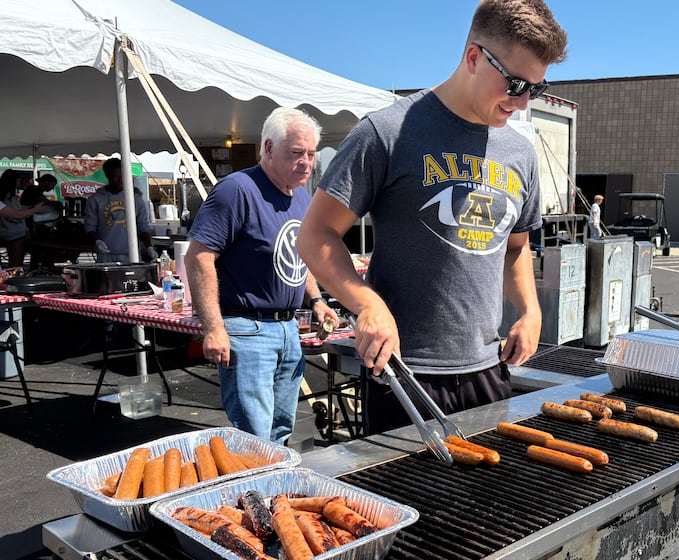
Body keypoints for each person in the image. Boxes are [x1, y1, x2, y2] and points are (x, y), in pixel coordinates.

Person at [298, 0, 567, 435]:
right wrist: (368, 304)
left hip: (488, 368)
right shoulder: (387, 132)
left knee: (484, 501)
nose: (520, 103)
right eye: (515, 83)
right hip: (403, 373)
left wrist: (530, 311)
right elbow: (316, 234)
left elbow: (515, 248)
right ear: (474, 57)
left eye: (533, 89)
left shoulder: (521, 153)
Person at [185, 107, 338, 444]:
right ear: (268, 149)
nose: (307, 163)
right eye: (296, 153)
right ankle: (252, 495)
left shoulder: (301, 194)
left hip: (287, 328)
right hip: (247, 329)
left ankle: (273, 494)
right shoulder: (236, 190)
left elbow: (299, 254)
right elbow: (198, 257)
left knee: (281, 430)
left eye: (311, 154)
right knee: (254, 437)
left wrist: (316, 300)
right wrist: (213, 328)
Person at [83, 158, 156, 263]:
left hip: (132, 255)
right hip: (106, 255)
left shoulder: (135, 198)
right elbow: (90, 226)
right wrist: (96, 241)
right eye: (116, 177)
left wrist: (149, 246)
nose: (121, 181)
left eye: (123, 177)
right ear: (108, 176)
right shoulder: (95, 199)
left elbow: (143, 225)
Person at [0, 170, 50, 268]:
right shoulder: (7, 198)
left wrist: (32, 208)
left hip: (12, 233)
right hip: (14, 234)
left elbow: (18, 211)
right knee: (16, 264)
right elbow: (16, 215)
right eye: (18, 181)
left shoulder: (10, 197)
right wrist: (35, 209)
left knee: (15, 263)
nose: (19, 183)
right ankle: (13, 281)